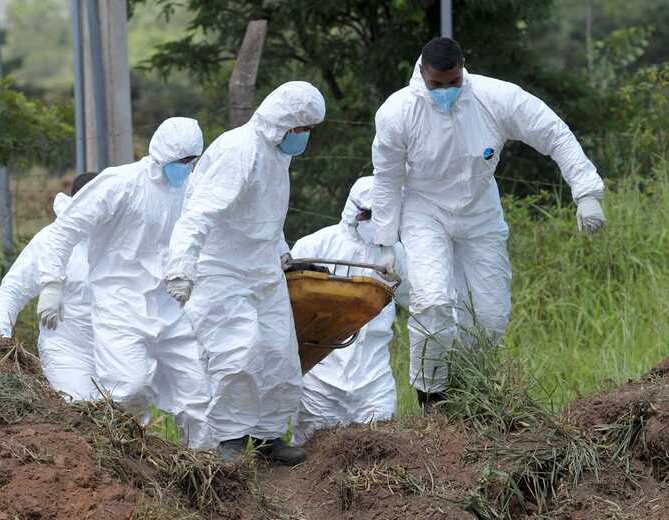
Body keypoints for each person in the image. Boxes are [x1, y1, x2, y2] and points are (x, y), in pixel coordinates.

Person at [370, 37, 606, 411]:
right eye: (437, 86)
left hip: (479, 211)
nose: (445, 92)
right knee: (432, 302)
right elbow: (386, 178)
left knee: (491, 316)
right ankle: (432, 397)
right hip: (424, 210)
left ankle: (467, 387)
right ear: (423, 75)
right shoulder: (398, 112)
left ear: (463, 69)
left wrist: (586, 191)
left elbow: (553, 132)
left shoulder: (496, 98)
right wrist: (383, 243)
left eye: (453, 83)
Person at [164, 81, 326, 464]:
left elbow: (264, 217)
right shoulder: (241, 150)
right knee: (238, 351)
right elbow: (199, 213)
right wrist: (181, 267)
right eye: (301, 129)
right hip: (221, 269)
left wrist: (285, 256)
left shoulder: (276, 155)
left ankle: (268, 436)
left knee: (278, 354)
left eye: (308, 130)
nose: (304, 137)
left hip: (262, 268)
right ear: (282, 123)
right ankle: (231, 439)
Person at [35, 117, 213, 449]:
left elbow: (199, 234)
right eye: (181, 162)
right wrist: (51, 284)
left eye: (192, 161)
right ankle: (124, 456)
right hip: (119, 302)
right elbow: (64, 231)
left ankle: (208, 470)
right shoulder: (120, 184)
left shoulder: (189, 190)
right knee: (129, 388)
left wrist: (185, 272)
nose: (186, 168)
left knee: (197, 392)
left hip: (168, 304)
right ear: (161, 156)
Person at [290, 176, 409, 444]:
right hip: (319, 377)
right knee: (312, 459)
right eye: (369, 215)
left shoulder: (395, 255)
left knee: (379, 452)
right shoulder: (315, 245)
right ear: (353, 211)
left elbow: (420, 302)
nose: (377, 221)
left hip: (373, 378)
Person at [0, 173, 98, 401]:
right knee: (81, 412)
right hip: (68, 352)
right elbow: (12, 290)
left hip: (118, 350)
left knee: (129, 417)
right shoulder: (50, 241)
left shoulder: (123, 238)